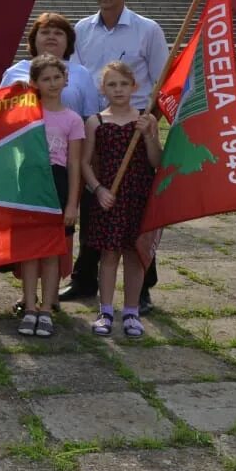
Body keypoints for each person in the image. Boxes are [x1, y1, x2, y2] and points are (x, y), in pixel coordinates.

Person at [62, 0, 169, 314]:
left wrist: (146, 125)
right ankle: (84, 278)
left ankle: (143, 287)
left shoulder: (147, 30)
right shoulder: (82, 29)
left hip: (134, 129)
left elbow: (162, 83)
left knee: (137, 209)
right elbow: (77, 78)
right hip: (94, 127)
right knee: (95, 205)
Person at [81, 61, 161, 338]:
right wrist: (98, 190)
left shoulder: (146, 119)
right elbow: (85, 163)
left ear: (134, 87)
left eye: (123, 84)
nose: (118, 89)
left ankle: (131, 311)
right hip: (110, 198)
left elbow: (156, 161)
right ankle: (105, 310)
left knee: (135, 255)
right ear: (103, 89)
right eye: (112, 84)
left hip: (138, 195)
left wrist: (150, 137)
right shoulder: (95, 121)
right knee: (109, 254)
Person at [17, 54, 83, 338]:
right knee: (31, 251)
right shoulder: (25, 114)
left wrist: (71, 204)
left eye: (57, 77)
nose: (53, 83)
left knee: (53, 252)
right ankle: (29, 307)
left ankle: (46, 309)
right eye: (46, 79)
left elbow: (74, 166)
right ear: (35, 83)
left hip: (57, 184)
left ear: (66, 79)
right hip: (30, 184)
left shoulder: (73, 120)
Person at [0, 12, 100, 119]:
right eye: (45, 32)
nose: (51, 37)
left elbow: (91, 118)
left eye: (58, 33)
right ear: (34, 39)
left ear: (68, 41)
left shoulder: (82, 73)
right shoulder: (14, 72)